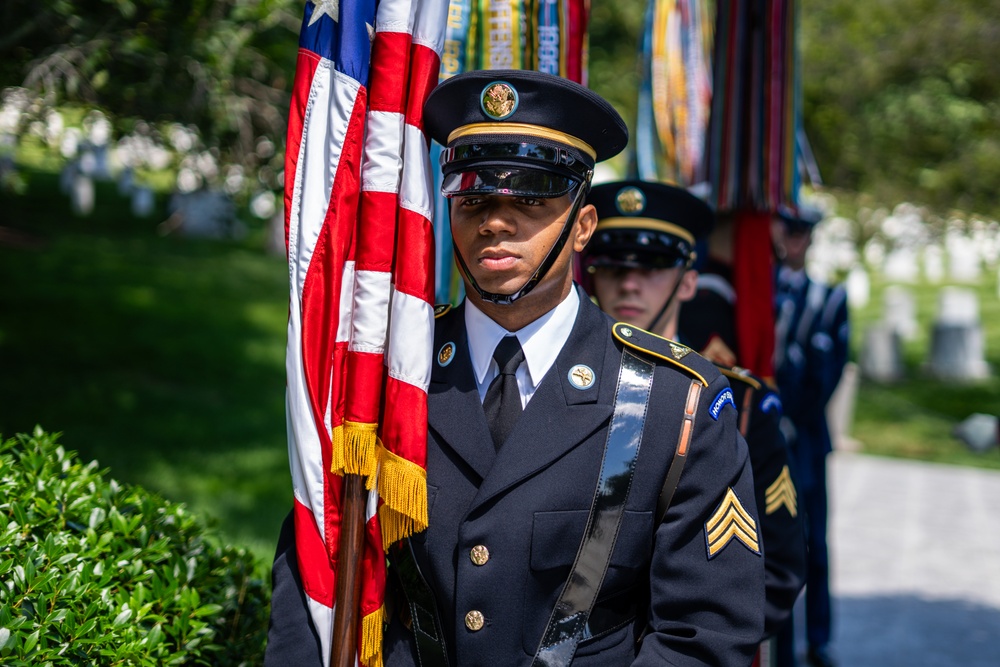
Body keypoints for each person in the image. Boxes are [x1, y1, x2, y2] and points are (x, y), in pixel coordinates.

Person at [265, 70, 765, 666]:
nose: (496, 222)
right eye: (474, 198)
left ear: (582, 226)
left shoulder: (673, 400)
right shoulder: (383, 380)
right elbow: (311, 585)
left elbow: (704, 638)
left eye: (530, 200)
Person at [582, 180, 807, 659]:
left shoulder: (740, 406)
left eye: (653, 267)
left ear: (688, 280)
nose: (629, 284)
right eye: (613, 265)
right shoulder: (555, 388)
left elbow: (779, 569)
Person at [770, 204, 849, 667]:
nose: (795, 240)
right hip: (770, 434)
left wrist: (798, 415)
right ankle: (783, 641)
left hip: (807, 436)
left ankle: (818, 639)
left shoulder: (830, 299)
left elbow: (833, 369)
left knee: (814, 543)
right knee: (779, 541)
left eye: (803, 232)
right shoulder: (762, 293)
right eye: (790, 230)